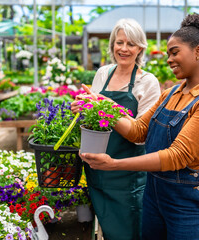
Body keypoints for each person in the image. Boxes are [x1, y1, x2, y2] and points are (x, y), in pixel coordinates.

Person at [80, 14, 199, 240]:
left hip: (188, 202)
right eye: (168, 54)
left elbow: (176, 156)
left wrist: (114, 165)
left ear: (198, 51)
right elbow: (138, 130)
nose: (169, 60)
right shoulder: (171, 93)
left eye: (174, 52)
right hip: (154, 195)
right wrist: (100, 107)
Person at [72, 18, 161, 240]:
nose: (124, 48)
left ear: (140, 48)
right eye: (119, 42)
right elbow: (92, 120)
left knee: (129, 232)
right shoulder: (103, 74)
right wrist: (80, 108)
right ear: (112, 45)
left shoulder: (148, 82)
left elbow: (142, 136)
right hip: (96, 171)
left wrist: (103, 106)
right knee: (107, 230)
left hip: (126, 176)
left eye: (131, 44)